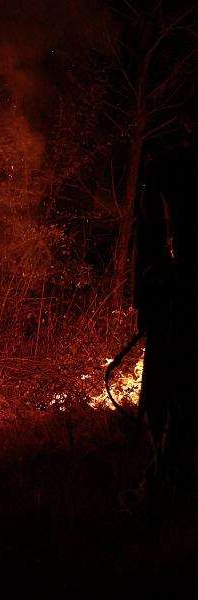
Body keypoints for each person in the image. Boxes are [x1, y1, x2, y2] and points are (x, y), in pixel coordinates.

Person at [133, 125, 197, 513]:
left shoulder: (167, 166)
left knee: (173, 395)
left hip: (176, 302)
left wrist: (144, 302)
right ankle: (166, 480)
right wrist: (145, 302)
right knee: (172, 396)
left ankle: (167, 483)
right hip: (175, 300)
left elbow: (147, 240)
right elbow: (149, 240)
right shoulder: (168, 168)